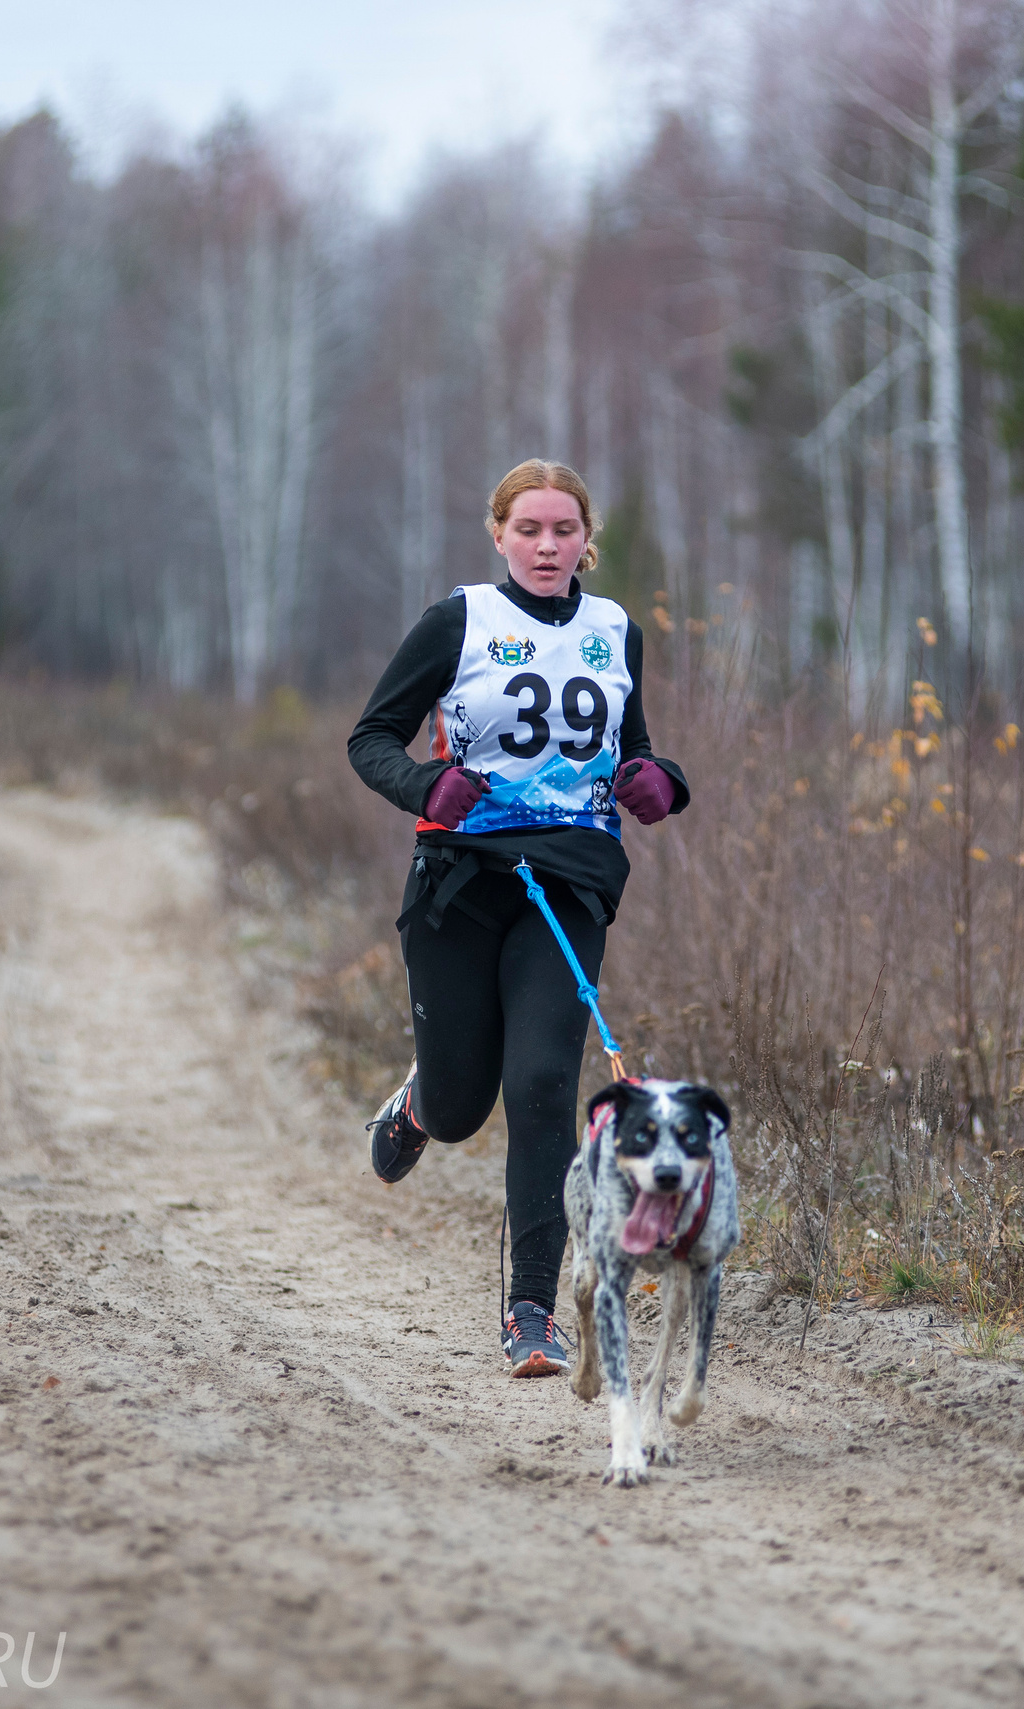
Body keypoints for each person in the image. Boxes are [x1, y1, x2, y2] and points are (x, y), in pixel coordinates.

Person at [347, 458, 690, 1377]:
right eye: (529, 530)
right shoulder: (459, 621)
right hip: (461, 882)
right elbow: (369, 737)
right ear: (498, 534)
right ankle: (424, 1097)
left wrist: (660, 782)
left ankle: (531, 1311)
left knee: (542, 1083)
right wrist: (428, 783)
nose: (548, 546)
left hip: (568, 881)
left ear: (588, 540)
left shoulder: (615, 628)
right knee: (464, 1106)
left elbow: (637, 749)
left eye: (564, 530)